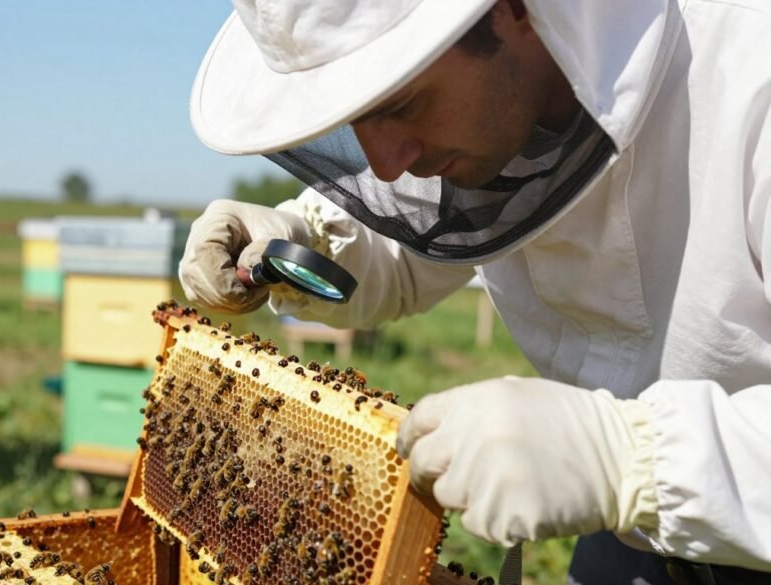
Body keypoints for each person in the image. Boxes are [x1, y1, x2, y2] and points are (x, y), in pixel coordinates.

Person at [178, 0, 771, 582]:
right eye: (356, 118)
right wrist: (306, 238)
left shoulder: (751, 74)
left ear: (514, 10)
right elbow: (414, 252)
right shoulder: (503, 107)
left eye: (404, 102)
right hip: (628, 542)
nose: (386, 166)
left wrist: (631, 462)